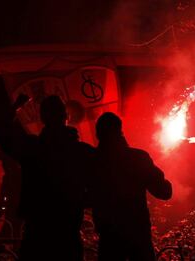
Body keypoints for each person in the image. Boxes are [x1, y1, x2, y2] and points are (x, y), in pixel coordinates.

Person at [18, 95, 94, 261]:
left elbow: (3, 133)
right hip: (68, 237)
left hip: (36, 237)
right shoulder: (82, 152)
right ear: (66, 117)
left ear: (43, 118)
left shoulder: (32, 148)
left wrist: (16, 107)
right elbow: (102, 185)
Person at [90, 112, 172, 261]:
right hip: (137, 233)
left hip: (109, 235)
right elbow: (164, 192)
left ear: (98, 134)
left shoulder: (92, 161)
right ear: (120, 130)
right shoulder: (137, 157)